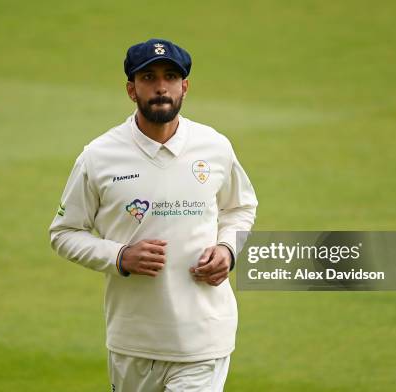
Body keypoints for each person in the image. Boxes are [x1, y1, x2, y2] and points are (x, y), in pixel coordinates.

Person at [49, 38, 258, 392]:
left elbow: (240, 208)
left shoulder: (214, 147)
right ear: (131, 89)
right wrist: (119, 256)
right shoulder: (98, 156)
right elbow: (64, 233)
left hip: (203, 337)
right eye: (148, 77)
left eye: (170, 76)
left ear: (184, 86)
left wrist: (227, 250)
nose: (161, 87)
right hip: (134, 339)